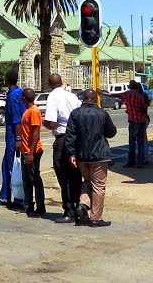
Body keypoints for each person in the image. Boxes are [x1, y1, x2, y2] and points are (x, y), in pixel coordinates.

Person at [66, 89, 118, 227]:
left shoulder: (75, 113)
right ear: (95, 99)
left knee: (87, 181)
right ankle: (96, 217)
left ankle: (83, 205)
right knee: (98, 186)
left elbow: (70, 135)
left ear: (83, 99)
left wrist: (71, 153)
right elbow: (111, 132)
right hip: (99, 155)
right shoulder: (102, 113)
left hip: (81, 155)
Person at [43, 73, 83, 223]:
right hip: (76, 137)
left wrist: (44, 122)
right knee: (76, 174)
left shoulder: (53, 97)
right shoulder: (72, 96)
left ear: (49, 84)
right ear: (61, 82)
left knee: (63, 175)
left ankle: (69, 209)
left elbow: (52, 123)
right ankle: (79, 205)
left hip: (63, 138)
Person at [0, 66, 25, 208]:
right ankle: (15, 196)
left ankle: (9, 197)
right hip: (21, 134)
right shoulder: (21, 92)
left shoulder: (11, 96)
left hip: (13, 136)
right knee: (16, 166)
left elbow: (16, 119)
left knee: (10, 166)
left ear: (7, 80)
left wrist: (17, 138)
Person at [101, 80, 149, 168]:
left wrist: (101, 92)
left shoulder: (127, 94)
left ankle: (131, 162)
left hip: (133, 121)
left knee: (132, 142)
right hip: (141, 120)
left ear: (130, 87)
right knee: (140, 142)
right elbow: (144, 108)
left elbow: (113, 95)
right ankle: (140, 162)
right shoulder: (140, 96)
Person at [18, 88, 46, 216]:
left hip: (33, 150)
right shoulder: (27, 111)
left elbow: (35, 133)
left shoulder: (34, 111)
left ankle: (41, 206)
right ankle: (28, 204)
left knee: (35, 178)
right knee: (26, 179)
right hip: (25, 150)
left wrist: (31, 153)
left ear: (24, 98)